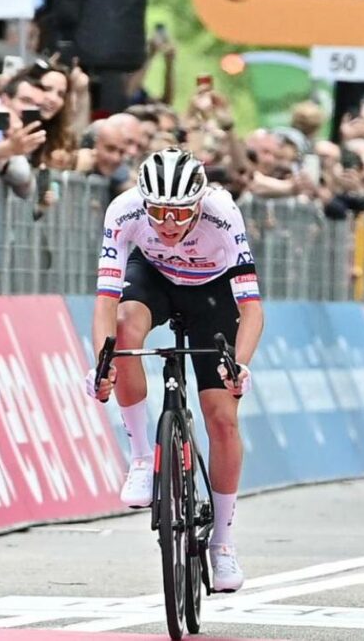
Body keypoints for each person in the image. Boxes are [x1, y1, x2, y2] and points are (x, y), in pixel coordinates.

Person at [84, 147, 263, 593]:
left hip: (211, 291)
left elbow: (252, 308)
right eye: (159, 211)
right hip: (154, 279)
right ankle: (143, 457)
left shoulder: (223, 214)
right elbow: (106, 301)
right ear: (144, 202)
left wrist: (240, 364)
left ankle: (222, 541)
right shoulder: (124, 211)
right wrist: (102, 364)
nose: (168, 224)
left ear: (199, 203)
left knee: (221, 418)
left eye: (181, 213)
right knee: (125, 329)